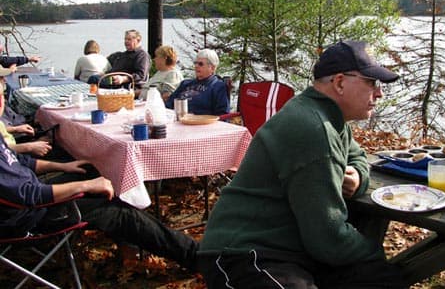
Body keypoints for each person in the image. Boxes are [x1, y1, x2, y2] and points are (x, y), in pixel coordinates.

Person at [197, 40, 410, 288]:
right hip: (243, 254)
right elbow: (328, 239)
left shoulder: (329, 118)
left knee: (386, 279)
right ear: (340, 82)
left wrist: (360, 178)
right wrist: (376, 252)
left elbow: (358, 157)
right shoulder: (312, 126)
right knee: (382, 273)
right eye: (371, 82)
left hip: (290, 249)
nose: (379, 92)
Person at [0, 77, 198, 271]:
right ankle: (196, 256)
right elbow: (29, 195)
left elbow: (20, 162)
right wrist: (86, 186)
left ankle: (131, 239)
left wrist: (64, 167)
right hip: (29, 217)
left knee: (96, 170)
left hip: (30, 202)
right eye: (2, 96)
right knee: (121, 213)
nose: (3, 101)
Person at [165, 49, 230, 115]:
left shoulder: (218, 86)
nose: (196, 66)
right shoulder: (185, 84)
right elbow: (168, 105)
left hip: (202, 123)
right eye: (195, 63)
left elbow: (223, 114)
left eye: (200, 64)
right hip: (177, 121)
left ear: (212, 68)